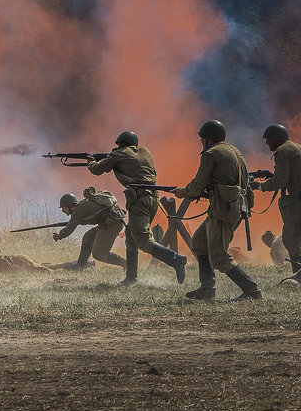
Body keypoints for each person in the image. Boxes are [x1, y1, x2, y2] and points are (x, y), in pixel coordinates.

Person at [173, 120, 259, 301]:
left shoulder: (211, 153)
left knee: (219, 255)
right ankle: (207, 289)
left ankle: (252, 290)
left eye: (202, 139)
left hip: (223, 209)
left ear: (208, 139)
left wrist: (184, 192)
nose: (201, 142)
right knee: (199, 242)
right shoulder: (235, 151)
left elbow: (198, 183)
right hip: (230, 206)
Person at [87, 130, 188, 286]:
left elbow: (96, 170)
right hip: (153, 198)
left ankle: (175, 260)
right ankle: (131, 278)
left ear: (123, 143)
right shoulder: (145, 152)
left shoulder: (119, 154)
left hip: (139, 200)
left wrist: (91, 161)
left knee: (143, 240)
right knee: (131, 237)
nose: (117, 147)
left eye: (119, 144)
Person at [249, 124, 301, 276]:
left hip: (296, 200)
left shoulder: (282, 152)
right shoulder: (295, 147)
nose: (267, 144)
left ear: (277, 140)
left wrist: (259, 185)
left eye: (269, 140)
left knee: (291, 239)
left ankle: (298, 276)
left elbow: (281, 180)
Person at [52, 188, 127, 270]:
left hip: (112, 224)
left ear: (71, 205)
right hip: (107, 223)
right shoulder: (81, 207)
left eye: (63, 207)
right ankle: (81, 265)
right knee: (88, 236)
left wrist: (59, 236)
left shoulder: (78, 210)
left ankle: (126, 264)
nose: (62, 210)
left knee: (99, 254)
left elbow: (69, 228)